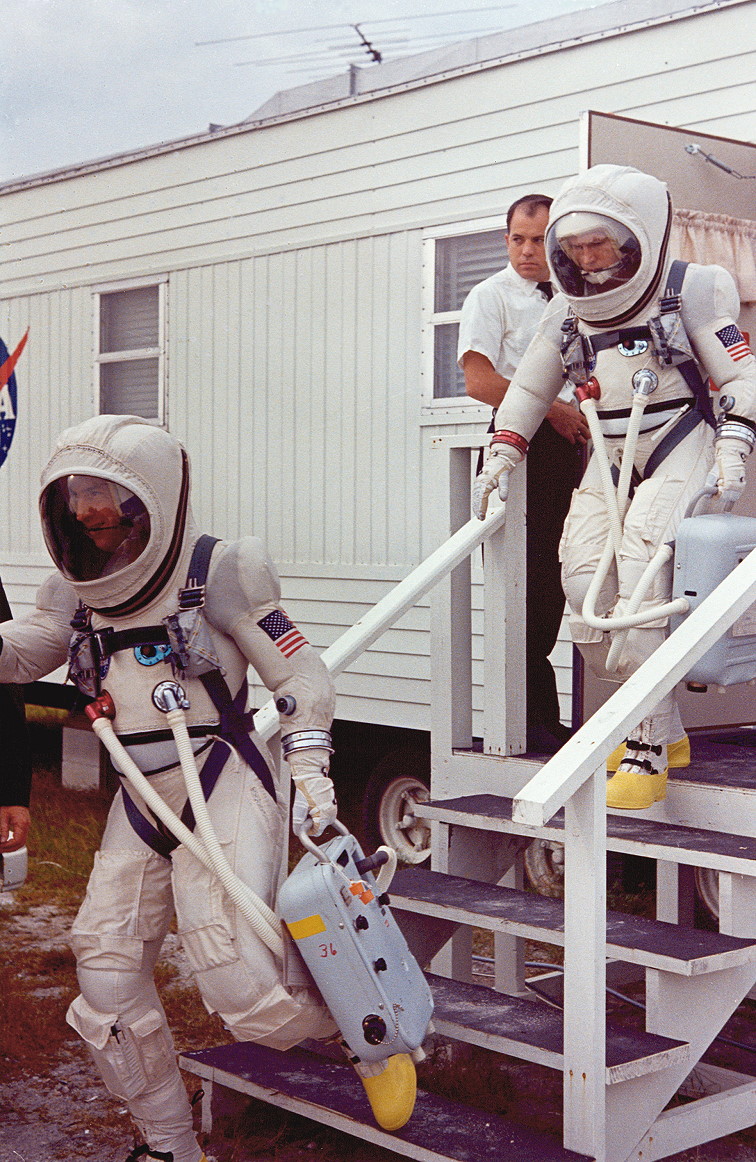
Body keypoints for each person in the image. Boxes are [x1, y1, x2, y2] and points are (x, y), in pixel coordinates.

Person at [0, 415, 416, 1162]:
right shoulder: (72, 590)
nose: (88, 513)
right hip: (140, 793)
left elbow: (300, 674)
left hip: (218, 773)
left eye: (102, 495)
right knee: (106, 982)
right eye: (74, 498)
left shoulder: (221, 570)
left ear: (153, 496)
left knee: (242, 987)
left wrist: (311, 773)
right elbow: (25, 653)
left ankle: (375, 1029)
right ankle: (170, 1146)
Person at [473, 164, 756, 809]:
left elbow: (742, 377)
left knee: (642, 580)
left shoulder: (693, 289)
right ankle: (666, 728)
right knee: (583, 585)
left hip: (679, 440)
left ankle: (646, 744)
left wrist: (735, 443)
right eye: (574, 248)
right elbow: (530, 387)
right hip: (609, 452)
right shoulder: (566, 310)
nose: (587, 259)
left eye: (598, 244)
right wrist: (503, 451)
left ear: (639, 237)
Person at [458, 193, 589, 754]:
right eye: (518, 239)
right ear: (506, 239)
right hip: (520, 441)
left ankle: (546, 717)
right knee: (523, 581)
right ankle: (526, 721)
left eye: (539, 240)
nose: (528, 251)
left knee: (558, 578)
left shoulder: (578, 296)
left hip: (570, 445)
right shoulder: (490, 296)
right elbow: (480, 382)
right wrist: (551, 410)